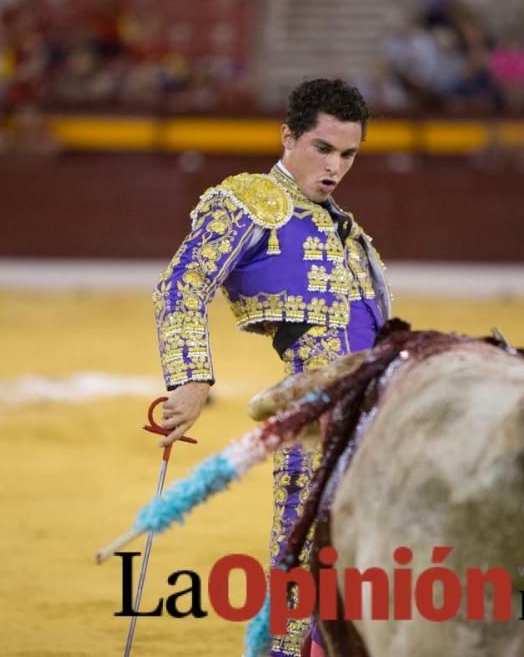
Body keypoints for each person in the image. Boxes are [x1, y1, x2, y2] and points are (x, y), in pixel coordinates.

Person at [152, 78, 391, 656]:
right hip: (314, 418)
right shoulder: (251, 202)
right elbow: (181, 287)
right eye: (323, 148)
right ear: (287, 136)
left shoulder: (351, 234)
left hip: (379, 416)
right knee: (303, 567)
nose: (335, 167)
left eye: (348, 154)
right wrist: (191, 376)